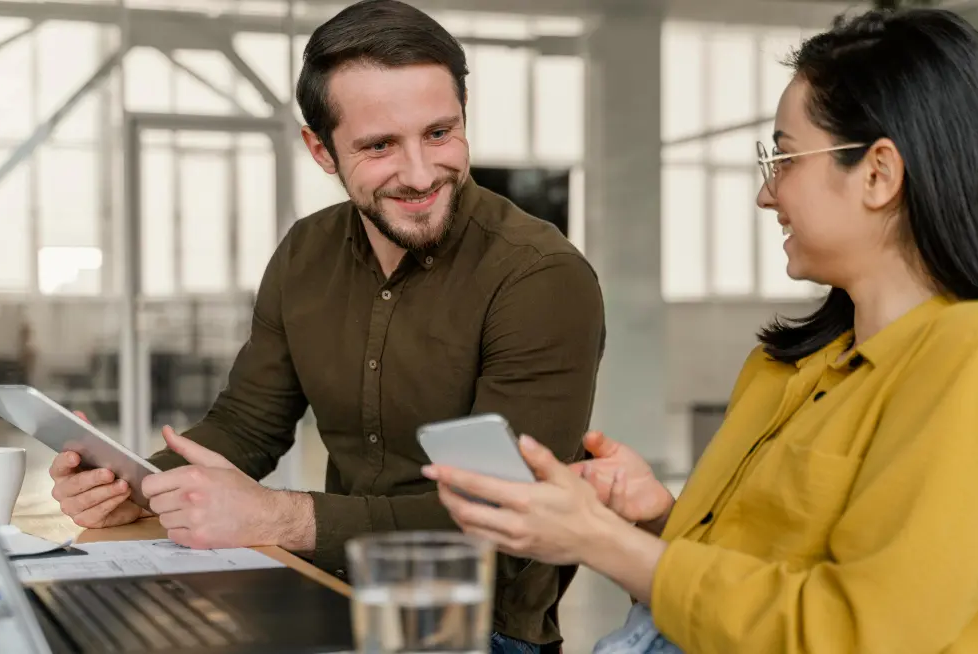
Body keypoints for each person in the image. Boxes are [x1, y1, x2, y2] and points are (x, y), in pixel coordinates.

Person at [424, 8, 978, 653]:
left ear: (878, 174)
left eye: (785, 157)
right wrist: (660, 518)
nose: (765, 194)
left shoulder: (973, 359)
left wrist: (598, 541)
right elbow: (738, 590)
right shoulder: (786, 367)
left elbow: (859, 633)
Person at [45, 1, 606, 652]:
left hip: (478, 625)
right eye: (379, 146)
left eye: (438, 133)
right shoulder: (306, 253)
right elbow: (245, 427)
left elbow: (506, 519)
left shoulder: (540, 277)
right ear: (321, 149)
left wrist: (276, 516)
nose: (421, 174)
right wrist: (135, 485)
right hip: (321, 588)